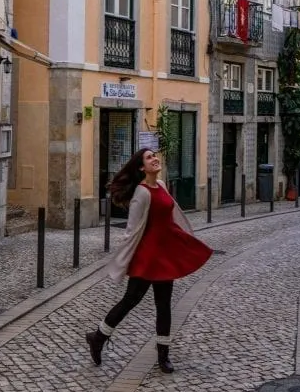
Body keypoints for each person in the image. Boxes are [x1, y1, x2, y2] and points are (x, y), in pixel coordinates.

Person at [85, 147, 213, 374]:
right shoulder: (142, 193)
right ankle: (98, 337)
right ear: (142, 167)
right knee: (130, 300)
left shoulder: (162, 185)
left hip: (164, 256)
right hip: (147, 256)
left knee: (164, 305)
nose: (154, 159)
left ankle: (163, 354)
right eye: (149, 157)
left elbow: (172, 217)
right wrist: (124, 259)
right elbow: (132, 230)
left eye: (155, 155)